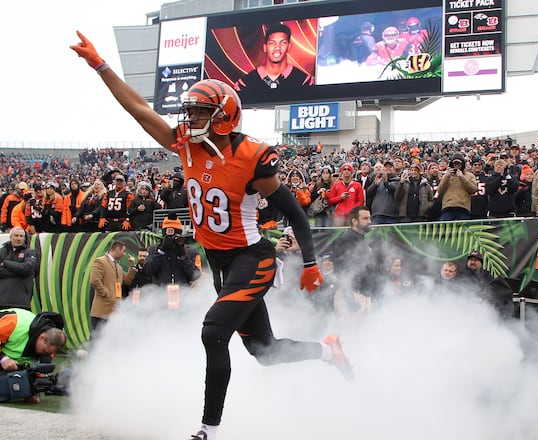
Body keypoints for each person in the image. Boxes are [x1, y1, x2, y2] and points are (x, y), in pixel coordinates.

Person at [71, 31, 349, 440]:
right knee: (265, 353)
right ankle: (328, 350)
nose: (190, 120)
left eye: (199, 113)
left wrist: (309, 263)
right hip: (221, 263)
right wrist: (101, 66)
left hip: (252, 258)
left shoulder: (252, 157)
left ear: (223, 115)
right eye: (190, 112)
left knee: (213, 332)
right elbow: (137, 109)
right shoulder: (186, 146)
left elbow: (295, 214)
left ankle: (208, 431)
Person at [233, 22, 314, 104]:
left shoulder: (304, 81)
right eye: (272, 43)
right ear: (265, 47)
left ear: (288, 47)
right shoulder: (245, 84)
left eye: (283, 43)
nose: (277, 48)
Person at [89, 240, 137, 332]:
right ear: (118, 249)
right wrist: (106, 294)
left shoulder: (118, 267)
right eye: (123, 251)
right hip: (101, 311)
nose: (124, 254)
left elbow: (127, 280)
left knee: (107, 338)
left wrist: (132, 266)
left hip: (113, 311)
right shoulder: (100, 261)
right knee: (97, 337)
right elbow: (95, 280)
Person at [0, 227, 40, 311]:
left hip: (21, 300)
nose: (19, 238)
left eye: (21, 236)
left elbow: (27, 269)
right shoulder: (1, 251)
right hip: (1, 300)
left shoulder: (30, 252)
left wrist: (6, 263)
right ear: (10, 237)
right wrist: (19, 271)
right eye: (16, 236)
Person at [144, 214, 201, 287]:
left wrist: (183, 256)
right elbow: (147, 271)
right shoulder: (153, 249)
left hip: (183, 293)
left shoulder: (190, 251)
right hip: (159, 294)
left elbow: (195, 276)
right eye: (168, 237)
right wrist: (161, 251)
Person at [438, 154, 476, 221]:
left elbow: (473, 190)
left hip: (463, 207)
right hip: (448, 207)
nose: (457, 166)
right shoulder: (446, 176)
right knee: (446, 229)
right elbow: (439, 191)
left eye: (459, 164)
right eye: (455, 164)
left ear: (462, 164)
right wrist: (446, 177)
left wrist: (462, 177)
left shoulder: (470, 176)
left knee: (465, 229)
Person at [328, 163, 364, 227]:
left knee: (352, 234)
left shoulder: (357, 185)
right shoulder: (336, 185)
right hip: (339, 216)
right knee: (338, 234)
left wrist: (353, 210)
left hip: (352, 215)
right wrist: (340, 197)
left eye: (348, 170)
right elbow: (330, 200)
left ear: (352, 172)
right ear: (342, 172)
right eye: (344, 169)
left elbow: (361, 201)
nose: (346, 171)